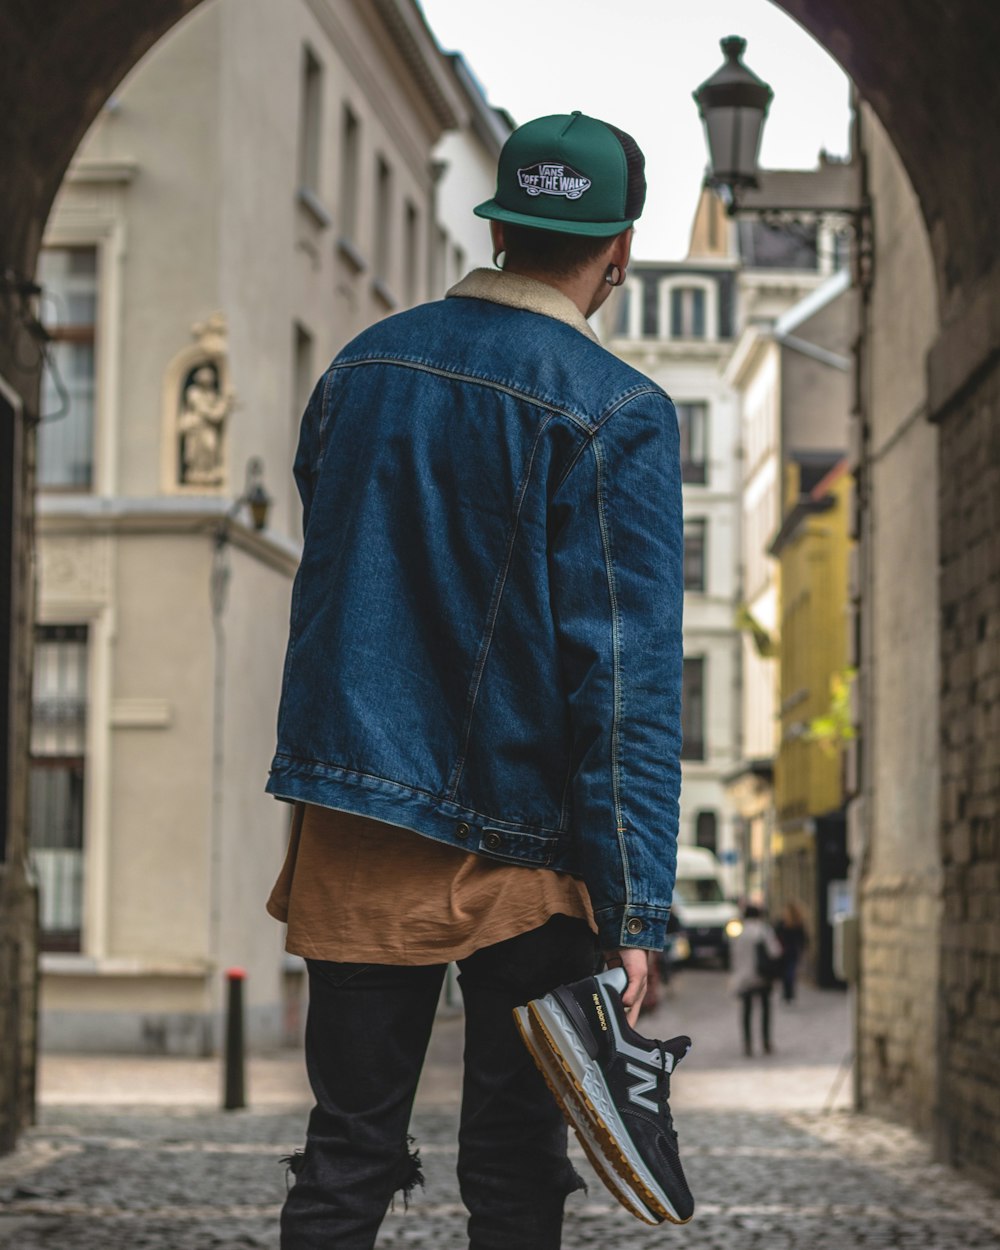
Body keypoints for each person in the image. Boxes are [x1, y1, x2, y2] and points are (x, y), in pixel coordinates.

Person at [265, 110, 686, 1249]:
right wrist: (638, 904)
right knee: (514, 1164)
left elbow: (351, 573)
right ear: (619, 251)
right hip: (528, 853)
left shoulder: (361, 369)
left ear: (498, 227)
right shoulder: (617, 410)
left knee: (346, 1150)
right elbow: (625, 682)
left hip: (357, 813)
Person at [731, 902, 783, 1057]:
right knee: (766, 1010)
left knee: (746, 1011)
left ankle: (747, 1044)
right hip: (762, 976)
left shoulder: (739, 932)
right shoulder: (764, 930)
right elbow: (775, 951)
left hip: (744, 977)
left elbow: (734, 956)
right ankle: (766, 1042)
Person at [774, 899, 808, 1002]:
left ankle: (788, 993)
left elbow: (803, 938)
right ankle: (787, 993)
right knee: (787, 972)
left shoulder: (795, 924)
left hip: (789, 951)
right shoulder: (783, 923)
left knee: (789, 972)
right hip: (785, 951)